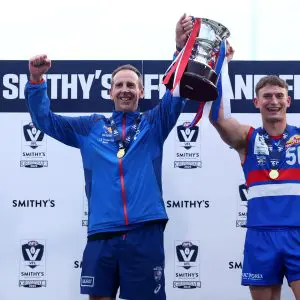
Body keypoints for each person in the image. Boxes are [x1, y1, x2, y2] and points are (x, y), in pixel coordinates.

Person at [25, 14, 193, 300]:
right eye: (119, 85)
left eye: (131, 85)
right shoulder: (90, 126)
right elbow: (44, 121)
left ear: (141, 91)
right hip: (102, 232)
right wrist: (37, 80)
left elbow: (176, 90)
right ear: (110, 92)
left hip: (144, 231)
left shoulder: (154, 123)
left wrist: (179, 49)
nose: (125, 90)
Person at [211, 72, 300, 299]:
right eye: (267, 96)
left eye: (279, 96)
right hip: (260, 236)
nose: (274, 101)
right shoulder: (247, 138)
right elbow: (218, 117)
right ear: (256, 102)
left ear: (288, 101)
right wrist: (222, 68)